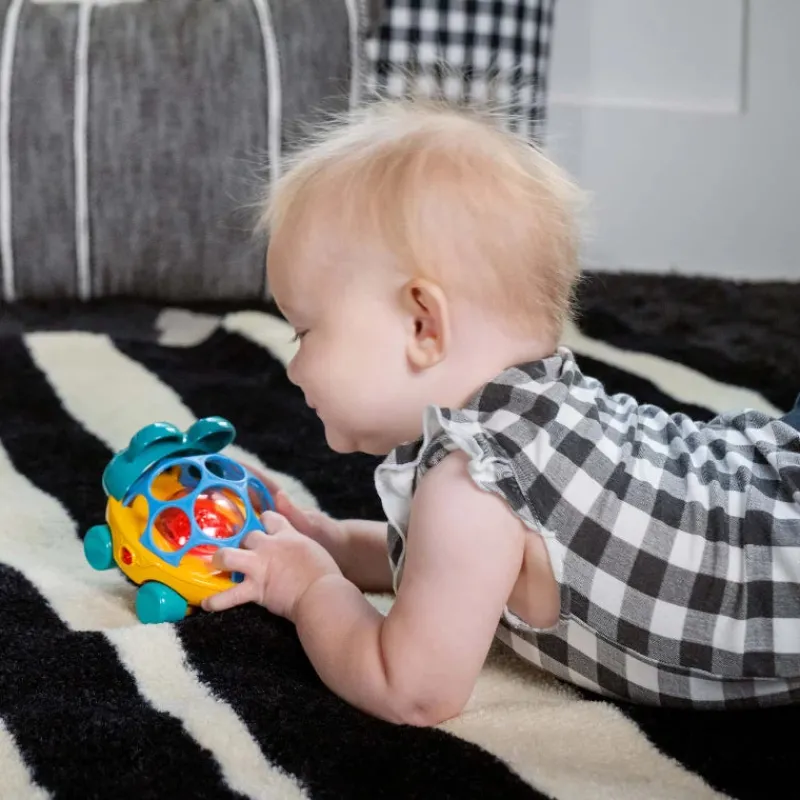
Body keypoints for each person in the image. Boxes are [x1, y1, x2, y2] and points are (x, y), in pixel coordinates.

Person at [201, 98, 800, 722]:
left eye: (303, 331)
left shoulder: (474, 481)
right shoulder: (527, 415)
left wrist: (309, 589)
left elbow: (410, 688)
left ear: (422, 325)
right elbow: (449, 571)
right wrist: (335, 543)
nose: (293, 367)